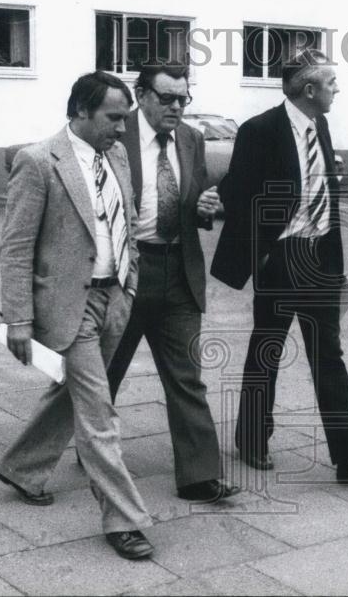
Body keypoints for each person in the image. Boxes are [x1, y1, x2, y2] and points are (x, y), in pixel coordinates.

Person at [210, 49, 348, 481]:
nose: (337, 89)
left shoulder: (320, 125)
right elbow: (238, 193)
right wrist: (263, 252)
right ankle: (252, 439)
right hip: (281, 257)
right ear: (309, 89)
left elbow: (313, 182)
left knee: (328, 353)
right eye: (331, 83)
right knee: (268, 349)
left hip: (320, 256)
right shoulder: (260, 130)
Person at [0, 72, 154, 559]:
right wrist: (18, 318)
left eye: (125, 119)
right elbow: (16, 246)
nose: (122, 129)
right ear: (82, 110)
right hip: (69, 304)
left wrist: (129, 284)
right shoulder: (39, 161)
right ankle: (124, 519)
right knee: (98, 412)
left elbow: (126, 220)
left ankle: (22, 468)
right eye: (113, 117)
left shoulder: (117, 155)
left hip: (115, 297)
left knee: (74, 392)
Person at [100, 63, 238, 503]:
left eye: (183, 99)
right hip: (127, 271)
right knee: (103, 372)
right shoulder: (115, 135)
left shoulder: (191, 139)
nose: (177, 107)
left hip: (178, 270)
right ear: (142, 95)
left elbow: (190, 203)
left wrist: (203, 209)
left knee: (187, 376)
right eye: (168, 98)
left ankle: (199, 476)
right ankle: (75, 452)